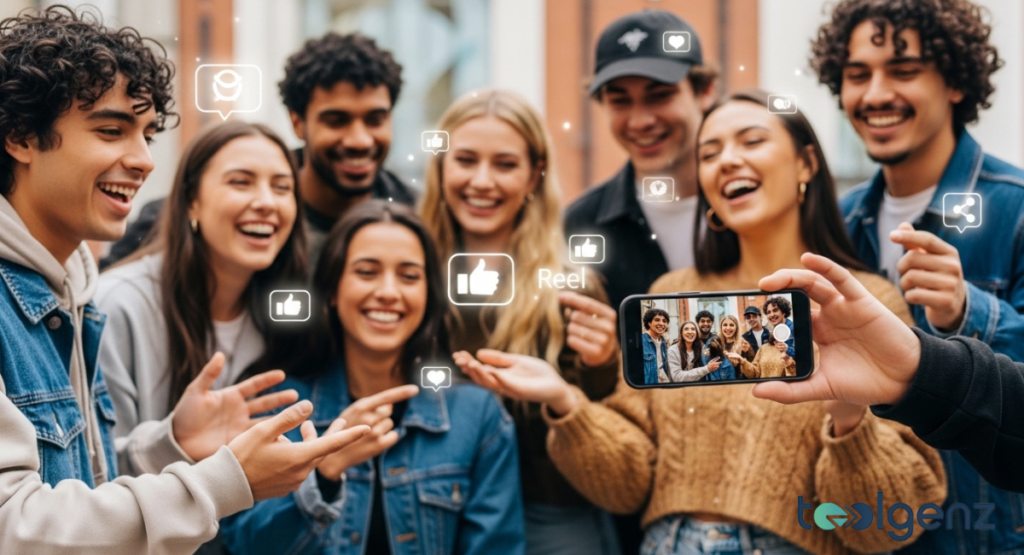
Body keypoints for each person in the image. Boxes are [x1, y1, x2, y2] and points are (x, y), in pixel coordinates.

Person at [457, 89, 946, 554]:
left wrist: (849, 418)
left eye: (751, 141)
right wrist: (565, 402)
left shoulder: (864, 303)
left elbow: (887, 523)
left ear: (806, 163)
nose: (726, 160)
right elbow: (627, 484)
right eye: (709, 153)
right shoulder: (671, 293)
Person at [0, 7, 369, 554]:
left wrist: (171, 444)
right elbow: (16, 527)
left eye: (147, 136)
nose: (144, 161)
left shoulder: (72, 293)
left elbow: (76, 487)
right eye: (110, 131)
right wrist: (224, 481)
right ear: (21, 137)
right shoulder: (112, 298)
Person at [812, 1, 1024, 552]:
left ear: (956, 83)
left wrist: (966, 311)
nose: (876, 94)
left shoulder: (1017, 209)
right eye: (857, 74)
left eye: (903, 71)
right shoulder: (839, 219)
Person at [222, 200, 524, 554]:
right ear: (332, 291)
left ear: (429, 295)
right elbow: (243, 544)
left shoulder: (477, 416)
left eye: (409, 276)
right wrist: (325, 472)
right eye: (367, 272)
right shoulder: (278, 408)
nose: (388, 292)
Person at [421, 89, 622, 555]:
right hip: (433, 503)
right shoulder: (410, 272)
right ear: (441, 166)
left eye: (505, 164)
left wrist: (602, 363)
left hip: (549, 512)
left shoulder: (571, 286)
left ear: (535, 174)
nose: (482, 181)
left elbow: (609, 428)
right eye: (465, 160)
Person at [95, 121, 310, 554]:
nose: (266, 202)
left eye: (282, 187)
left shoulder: (285, 316)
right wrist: (175, 442)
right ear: (191, 200)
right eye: (241, 182)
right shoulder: (117, 305)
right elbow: (91, 474)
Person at [103, 32, 416, 269]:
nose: (360, 140)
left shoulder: (419, 215)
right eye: (336, 121)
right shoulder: (194, 213)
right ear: (298, 122)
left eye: (376, 119)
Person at [752, 252, 1024, 494]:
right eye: (767, 312)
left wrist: (849, 419)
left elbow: (904, 500)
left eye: (775, 310)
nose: (770, 315)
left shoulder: (864, 298)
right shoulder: (763, 340)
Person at [563, 10, 718, 310]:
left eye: (659, 95)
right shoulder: (579, 225)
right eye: (620, 100)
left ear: (705, 91)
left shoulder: (754, 205)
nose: (640, 121)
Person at [702, 315, 748, 381]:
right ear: (721, 327)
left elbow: (749, 368)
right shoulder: (714, 343)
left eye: (731, 325)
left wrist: (744, 355)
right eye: (725, 325)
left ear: (736, 327)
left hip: (738, 382)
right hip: (718, 382)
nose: (728, 328)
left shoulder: (743, 343)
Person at [642, 308, 670, 384]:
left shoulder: (663, 342)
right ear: (649, 323)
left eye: (664, 321)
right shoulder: (642, 341)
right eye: (657, 320)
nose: (661, 323)